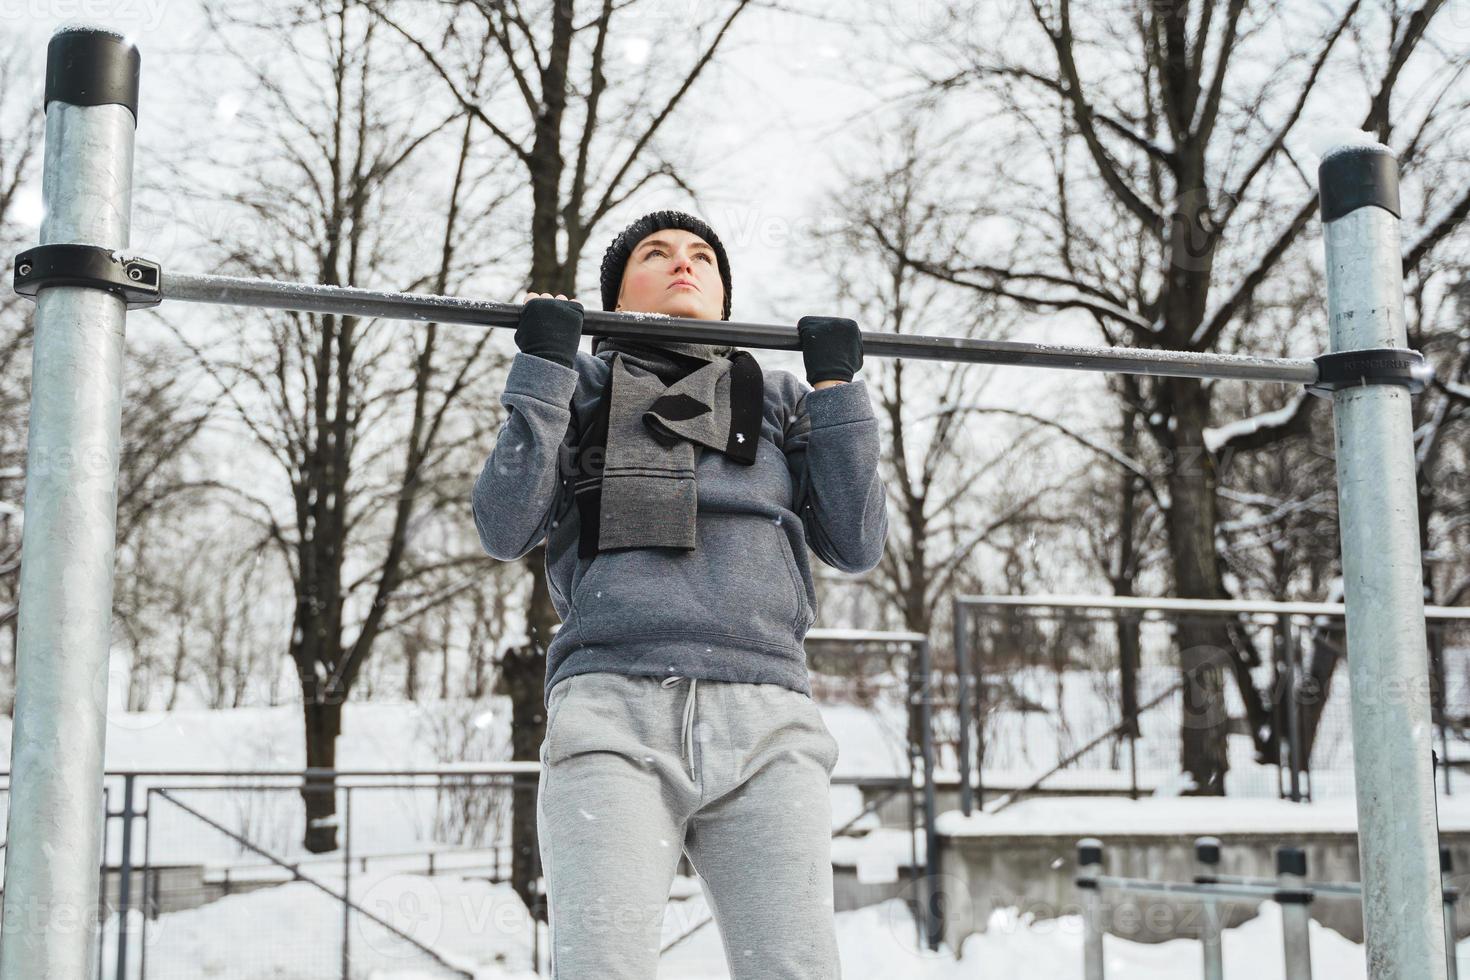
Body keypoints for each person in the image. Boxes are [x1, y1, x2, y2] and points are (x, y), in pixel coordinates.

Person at [472, 209, 888, 979]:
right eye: (655, 254)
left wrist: (839, 391)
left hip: (767, 721)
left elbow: (856, 543)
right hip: (614, 715)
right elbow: (504, 524)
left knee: (795, 970)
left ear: (727, 298)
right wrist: (542, 370)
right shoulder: (585, 384)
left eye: (702, 256)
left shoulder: (776, 394)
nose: (683, 263)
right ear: (617, 294)